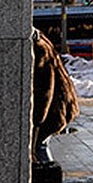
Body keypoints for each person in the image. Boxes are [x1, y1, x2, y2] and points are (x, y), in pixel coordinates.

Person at [30, 27, 79, 162]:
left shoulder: (39, 49)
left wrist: (36, 120)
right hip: (60, 106)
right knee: (41, 146)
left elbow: (46, 89)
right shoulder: (41, 40)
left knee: (39, 147)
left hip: (53, 111)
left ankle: (47, 178)